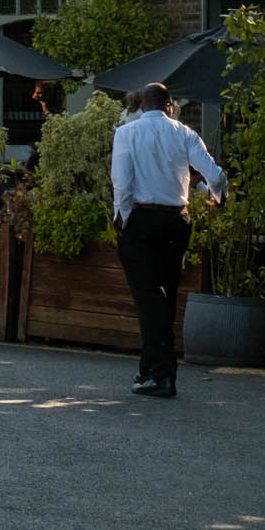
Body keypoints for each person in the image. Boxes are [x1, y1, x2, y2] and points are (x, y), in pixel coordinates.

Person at [110, 81, 224, 399]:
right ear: (169, 105)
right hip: (176, 219)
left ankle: (160, 374)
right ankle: (151, 369)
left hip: (142, 219)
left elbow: (122, 180)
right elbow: (213, 173)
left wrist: (123, 216)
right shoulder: (184, 133)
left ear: (141, 105)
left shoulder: (126, 134)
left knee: (148, 299)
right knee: (166, 295)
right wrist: (219, 197)